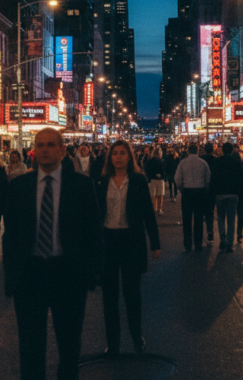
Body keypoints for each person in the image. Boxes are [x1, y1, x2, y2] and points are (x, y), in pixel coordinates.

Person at [1, 128, 103, 380]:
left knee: (69, 348)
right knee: (30, 348)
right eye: (40, 145)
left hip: (68, 274)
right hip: (30, 274)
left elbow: (93, 233)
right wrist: (12, 275)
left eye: (49, 145)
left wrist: (90, 273)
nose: (44, 150)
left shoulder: (81, 186)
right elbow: (11, 235)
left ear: (61, 150)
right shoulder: (20, 186)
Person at [96, 140, 161, 355]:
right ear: (110, 157)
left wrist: (155, 243)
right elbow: (95, 215)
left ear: (129, 157)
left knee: (132, 294)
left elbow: (147, 213)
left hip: (131, 241)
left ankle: (136, 336)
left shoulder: (138, 180)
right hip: (107, 242)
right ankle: (113, 343)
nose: (119, 157)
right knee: (109, 297)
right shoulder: (102, 181)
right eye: (115, 153)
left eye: (123, 153)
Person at [210, 142, 243, 252]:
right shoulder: (236, 163)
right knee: (231, 219)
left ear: (222, 150)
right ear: (232, 151)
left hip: (220, 193)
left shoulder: (217, 162)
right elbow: (241, 179)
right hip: (233, 193)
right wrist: (242, 193)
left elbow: (213, 178)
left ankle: (223, 238)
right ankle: (230, 243)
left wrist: (213, 192)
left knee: (221, 217)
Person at [174, 143, 211, 251]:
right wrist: (204, 188)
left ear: (188, 151)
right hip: (200, 192)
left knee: (187, 219)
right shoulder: (203, 163)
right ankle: (198, 244)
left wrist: (182, 189)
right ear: (198, 150)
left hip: (187, 192)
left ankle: (187, 244)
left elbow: (178, 179)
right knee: (199, 218)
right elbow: (208, 179)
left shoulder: (182, 163)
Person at [144, 147, 166, 214]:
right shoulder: (161, 161)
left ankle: (153, 209)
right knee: (160, 195)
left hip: (152, 179)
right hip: (160, 179)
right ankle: (159, 210)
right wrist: (162, 175)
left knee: (153, 195)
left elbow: (147, 170)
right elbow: (164, 170)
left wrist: (149, 177)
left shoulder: (150, 161)